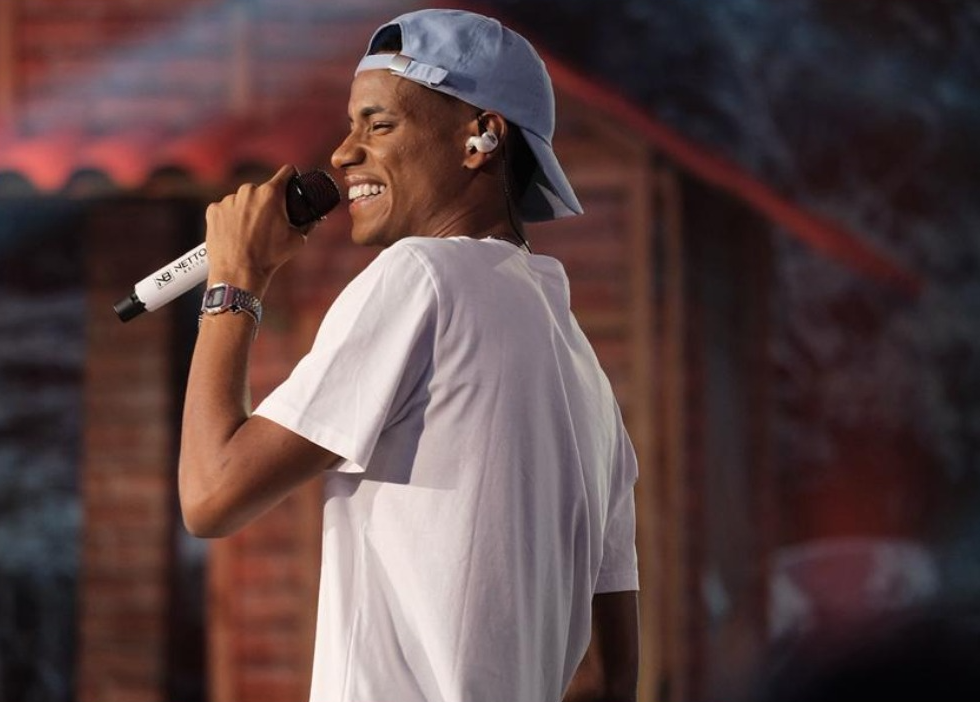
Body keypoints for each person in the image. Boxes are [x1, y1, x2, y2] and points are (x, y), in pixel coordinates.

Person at [178, 8, 639, 702]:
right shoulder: (591, 386)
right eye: (352, 126)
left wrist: (234, 283)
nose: (343, 154)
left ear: (482, 137)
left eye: (379, 124)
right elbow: (609, 678)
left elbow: (211, 495)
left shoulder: (423, 276)